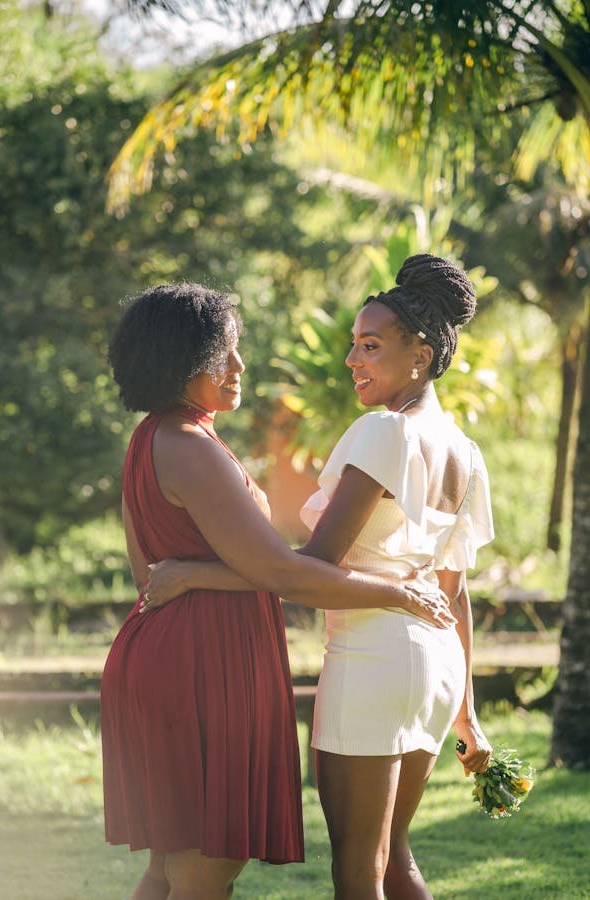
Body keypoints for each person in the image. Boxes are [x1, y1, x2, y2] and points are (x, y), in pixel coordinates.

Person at [144, 255, 495, 900]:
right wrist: (467, 710)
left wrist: (193, 575)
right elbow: (455, 588)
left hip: (373, 659)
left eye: (370, 346)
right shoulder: (465, 452)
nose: (352, 361)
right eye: (353, 345)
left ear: (420, 352)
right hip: (437, 667)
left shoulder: (384, 430)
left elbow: (309, 569)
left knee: (360, 867)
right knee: (394, 856)